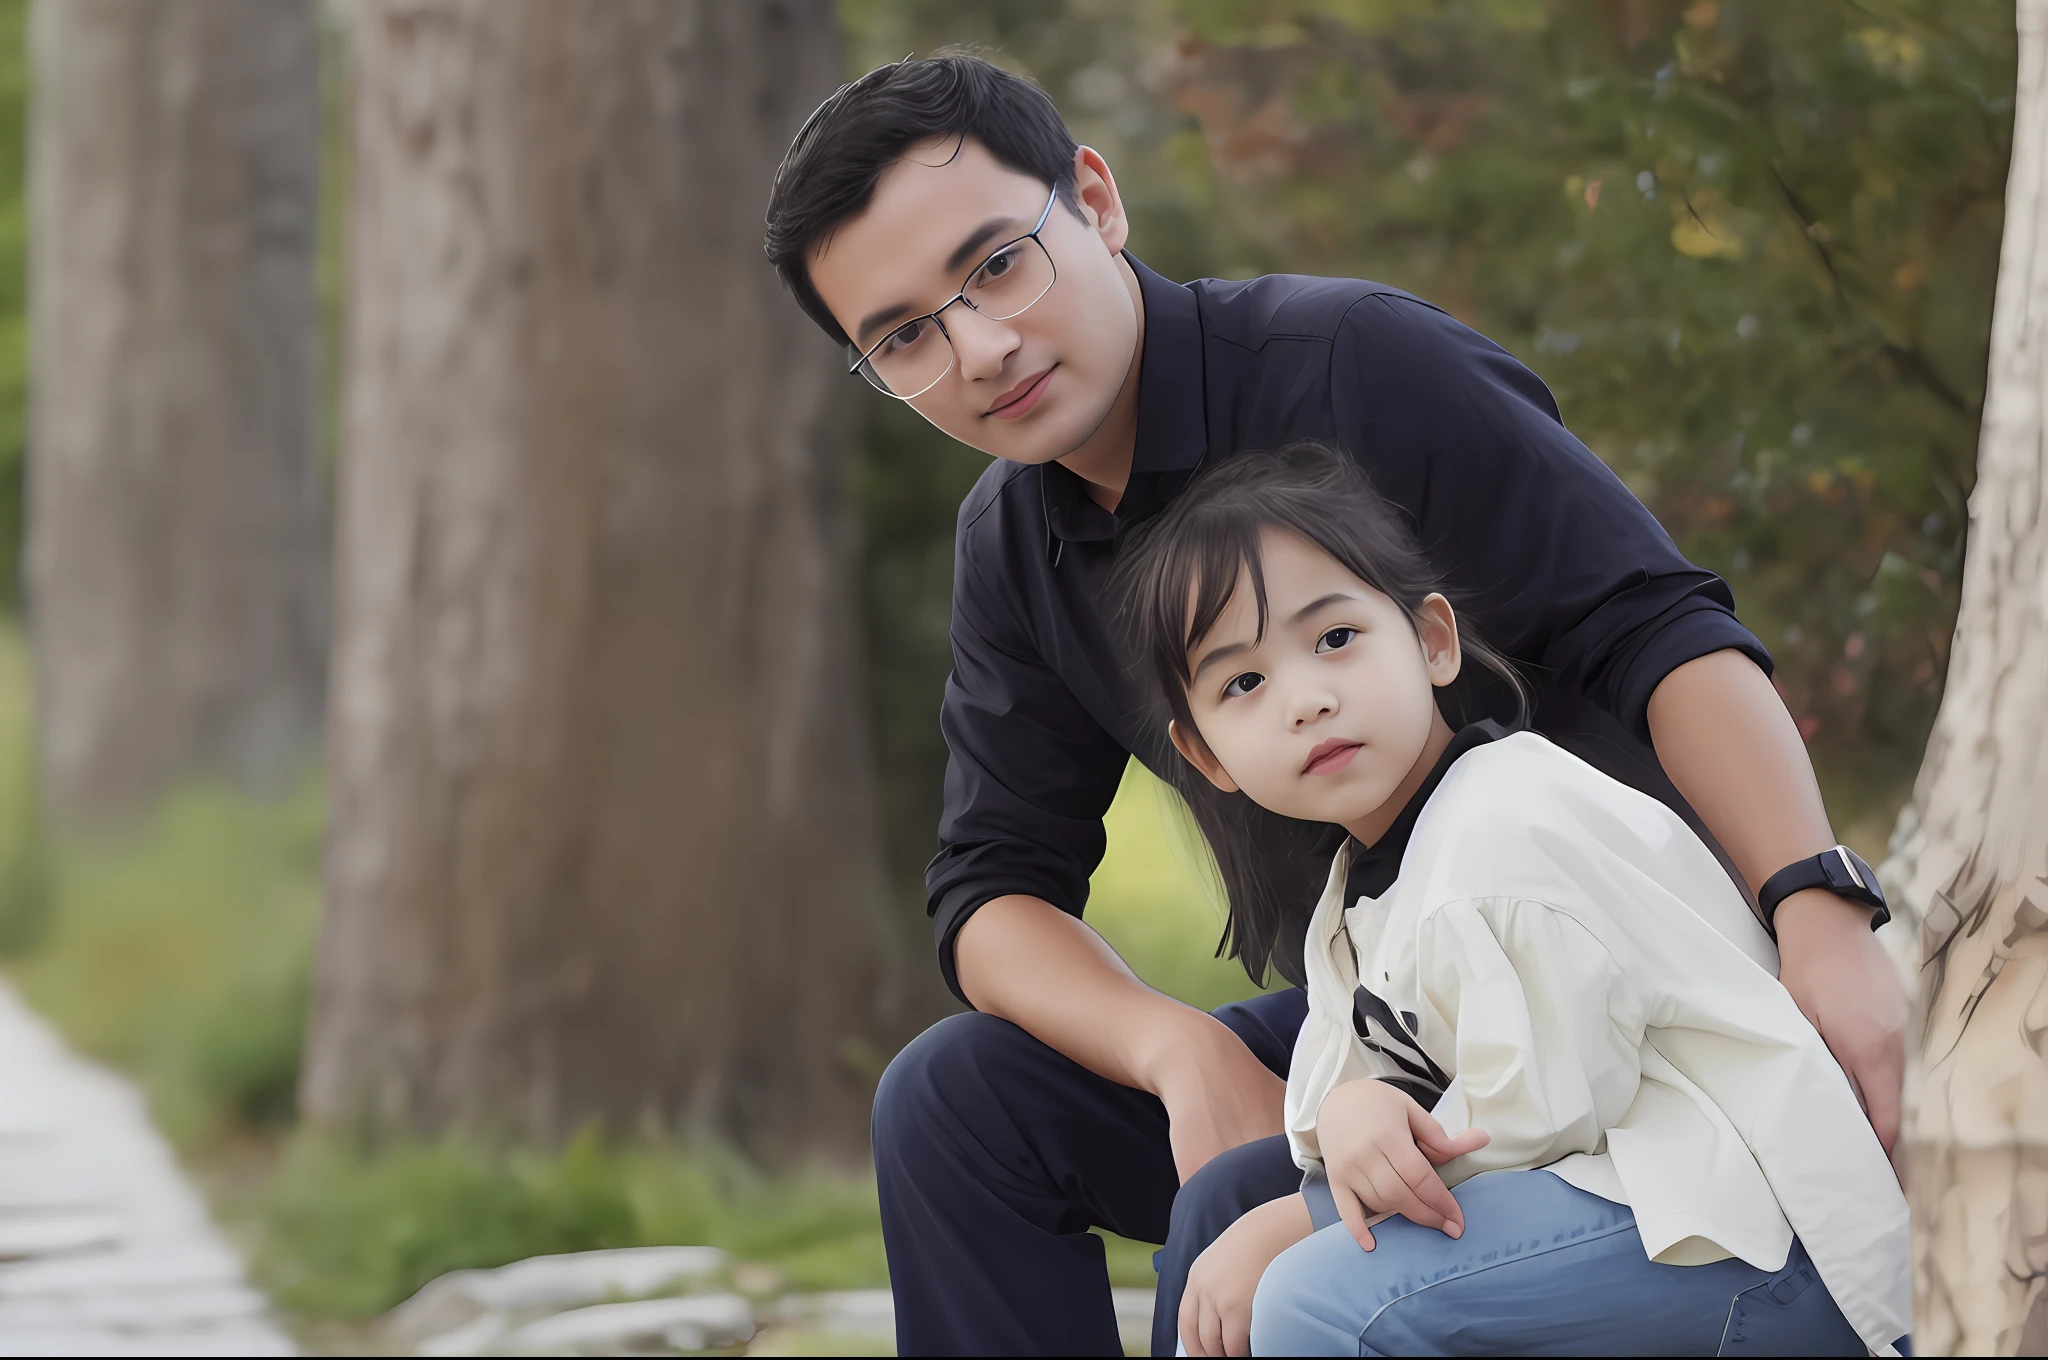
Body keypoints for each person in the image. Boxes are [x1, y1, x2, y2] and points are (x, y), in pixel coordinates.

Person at [761, 53, 1905, 1357]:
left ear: (1095, 198)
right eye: (904, 336)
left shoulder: (1352, 362)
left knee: (1240, 1213)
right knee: (956, 1102)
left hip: (1593, 1002)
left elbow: (1657, 628)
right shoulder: (1013, 544)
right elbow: (990, 891)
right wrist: (1178, 1051)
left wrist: (1816, 908)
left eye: (998, 265)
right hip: (1388, 1007)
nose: (981, 348)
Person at [1109, 443, 1908, 1357]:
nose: (1306, 699)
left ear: (1433, 641)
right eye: (1243, 683)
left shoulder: (1502, 820)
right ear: (1207, 757)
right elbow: (1340, 1074)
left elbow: (1539, 1110)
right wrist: (1349, 1116)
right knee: (1262, 1261)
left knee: (1316, 1299)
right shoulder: (1356, 896)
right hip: (1645, 1215)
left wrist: (1302, 1220)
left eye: (1335, 639)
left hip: (1762, 1232)